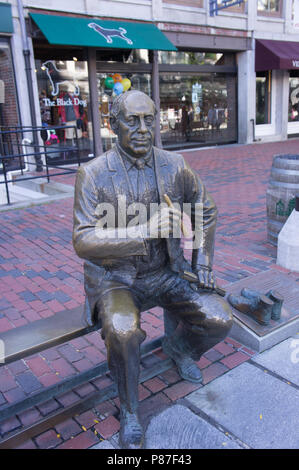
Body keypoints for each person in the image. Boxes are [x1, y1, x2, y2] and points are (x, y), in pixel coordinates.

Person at [72, 90, 233, 449]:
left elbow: (205, 209)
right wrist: (143, 230)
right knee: (125, 331)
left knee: (219, 318)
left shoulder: (174, 165)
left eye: (150, 119)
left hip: (166, 271)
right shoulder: (93, 174)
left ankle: (180, 349)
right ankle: (129, 409)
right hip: (116, 279)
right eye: (133, 120)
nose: (144, 128)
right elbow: (83, 239)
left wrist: (202, 262)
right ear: (115, 125)